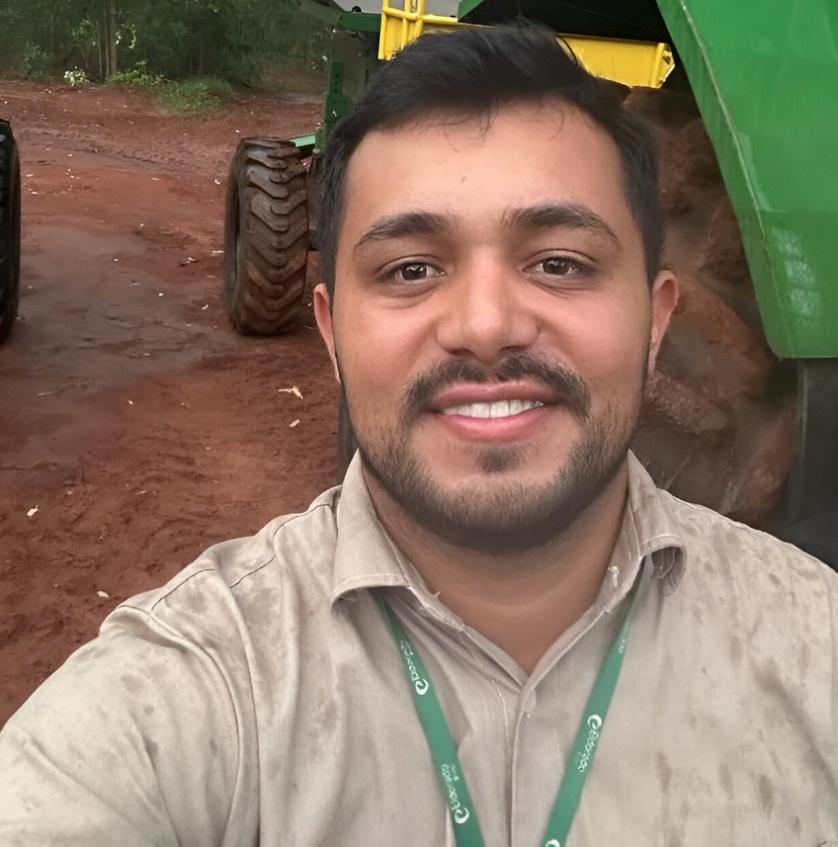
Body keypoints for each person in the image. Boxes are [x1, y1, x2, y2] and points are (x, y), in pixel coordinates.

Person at [1, 22, 836, 847]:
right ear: (331, 336)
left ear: (656, 323)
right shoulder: (191, 692)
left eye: (559, 262)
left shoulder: (813, 648)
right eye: (411, 269)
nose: (485, 325)